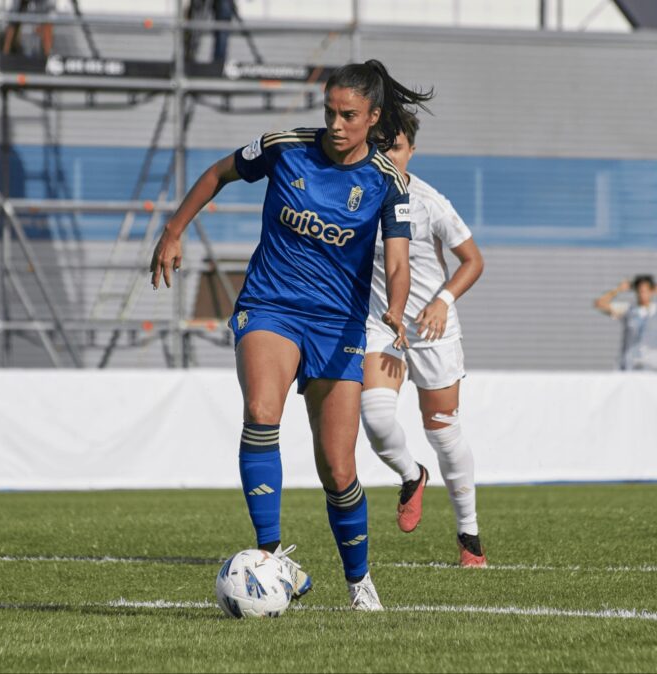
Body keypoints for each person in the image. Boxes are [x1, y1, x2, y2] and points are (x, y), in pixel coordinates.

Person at [150, 60, 433, 611]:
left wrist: (397, 310)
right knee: (261, 411)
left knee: (339, 466)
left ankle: (360, 582)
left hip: (338, 325)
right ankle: (270, 558)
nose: (335, 123)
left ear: (373, 118)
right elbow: (217, 175)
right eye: (329, 111)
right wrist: (173, 230)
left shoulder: (387, 180)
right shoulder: (285, 147)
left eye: (348, 115)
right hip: (270, 307)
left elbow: (398, 262)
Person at [359, 114, 487, 568]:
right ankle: (412, 476)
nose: (386, 156)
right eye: (379, 147)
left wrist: (443, 301)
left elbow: (472, 260)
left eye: (395, 147)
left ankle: (469, 535)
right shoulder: (354, 195)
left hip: (432, 330)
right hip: (382, 324)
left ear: (411, 151)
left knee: (443, 431)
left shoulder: (429, 201)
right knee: (374, 418)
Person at [593, 275, 657, 371]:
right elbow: (599, 304)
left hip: (656, 368)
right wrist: (617, 290)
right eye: (640, 291)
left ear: (652, 291)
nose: (642, 294)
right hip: (630, 367)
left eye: (646, 291)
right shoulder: (627, 309)